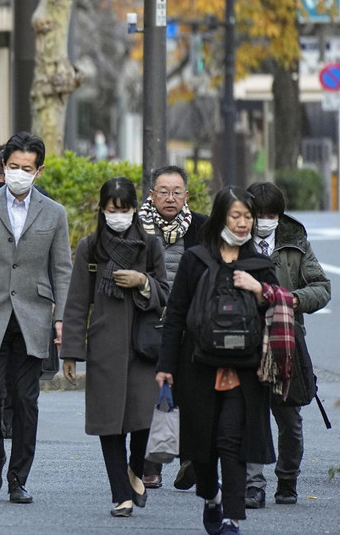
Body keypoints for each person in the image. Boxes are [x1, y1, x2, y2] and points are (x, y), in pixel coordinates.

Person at [0, 132, 72, 504]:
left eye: (27, 168)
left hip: (34, 314)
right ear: (3, 167)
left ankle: (18, 477)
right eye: (13, 166)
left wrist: (62, 318)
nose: (19, 173)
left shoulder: (54, 213)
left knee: (25, 400)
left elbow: (63, 269)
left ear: (38, 172)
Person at [156, 186, 278, 535]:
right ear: (220, 218)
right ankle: (211, 496)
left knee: (231, 443)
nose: (242, 224)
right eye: (235, 216)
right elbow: (175, 315)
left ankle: (231, 518)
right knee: (203, 447)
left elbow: (280, 305)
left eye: (248, 217)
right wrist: (165, 366)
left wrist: (259, 288)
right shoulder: (196, 260)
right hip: (197, 366)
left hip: (245, 369)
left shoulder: (260, 265)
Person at [62, 177, 169, 517]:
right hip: (105, 345)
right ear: (103, 210)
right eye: (112, 210)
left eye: (125, 210)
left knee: (142, 420)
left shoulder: (150, 246)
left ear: (135, 209)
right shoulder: (90, 247)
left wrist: (143, 283)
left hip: (143, 346)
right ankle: (121, 494)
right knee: (109, 423)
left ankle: (135, 469)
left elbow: (167, 294)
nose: (118, 216)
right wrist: (71, 352)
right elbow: (77, 302)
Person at [243, 182, 330, 509]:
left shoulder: (295, 241)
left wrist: (292, 300)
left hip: (287, 341)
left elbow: (321, 286)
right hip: (247, 340)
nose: (263, 221)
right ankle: (254, 484)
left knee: (290, 419)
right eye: (258, 214)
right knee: (251, 416)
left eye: (271, 215)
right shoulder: (235, 240)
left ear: (279, 215)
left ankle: (288, 479)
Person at [137, 165, 207, 490]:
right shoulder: (137, 229)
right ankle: (150, 466)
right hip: (149, 320)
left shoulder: (202, 227)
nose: (170, 198)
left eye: (177, 192)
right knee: (154, 393)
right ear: (151, 195)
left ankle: (189, 460)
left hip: (190, 323)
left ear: (186, 195)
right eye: (163, 192)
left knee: (190, 393)